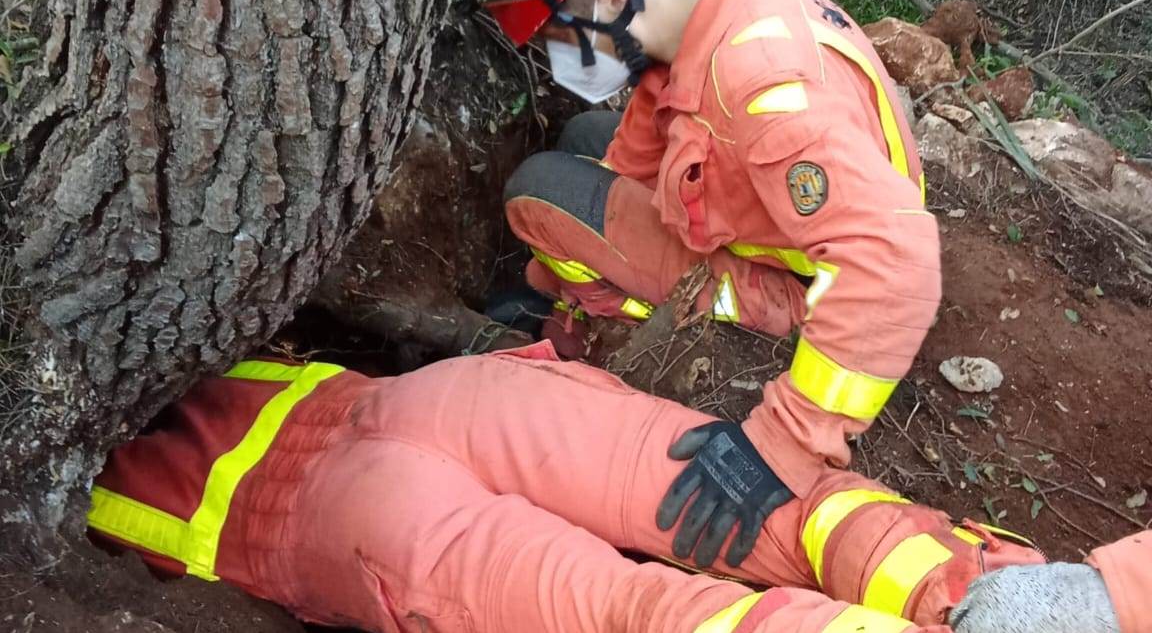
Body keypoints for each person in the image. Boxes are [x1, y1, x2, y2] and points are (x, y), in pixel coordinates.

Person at [467, 0, 940, 568]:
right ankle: (569, 294)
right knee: (588, 140)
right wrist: (549, 279)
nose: (560, 62)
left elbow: (899, 260)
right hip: (794, 215)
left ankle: (607, 324)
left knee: (538, 193)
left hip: (817, 289)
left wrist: (780, 447)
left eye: (559, 38)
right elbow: (638, 150)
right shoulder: (708, 9)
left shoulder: (760, 89)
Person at [88, 344, 1140, 633]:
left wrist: (1089, 599)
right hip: (349, 500)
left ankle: (976, 596)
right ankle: (976, 596)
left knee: (762, 521)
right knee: (656, 601)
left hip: (421, 414)